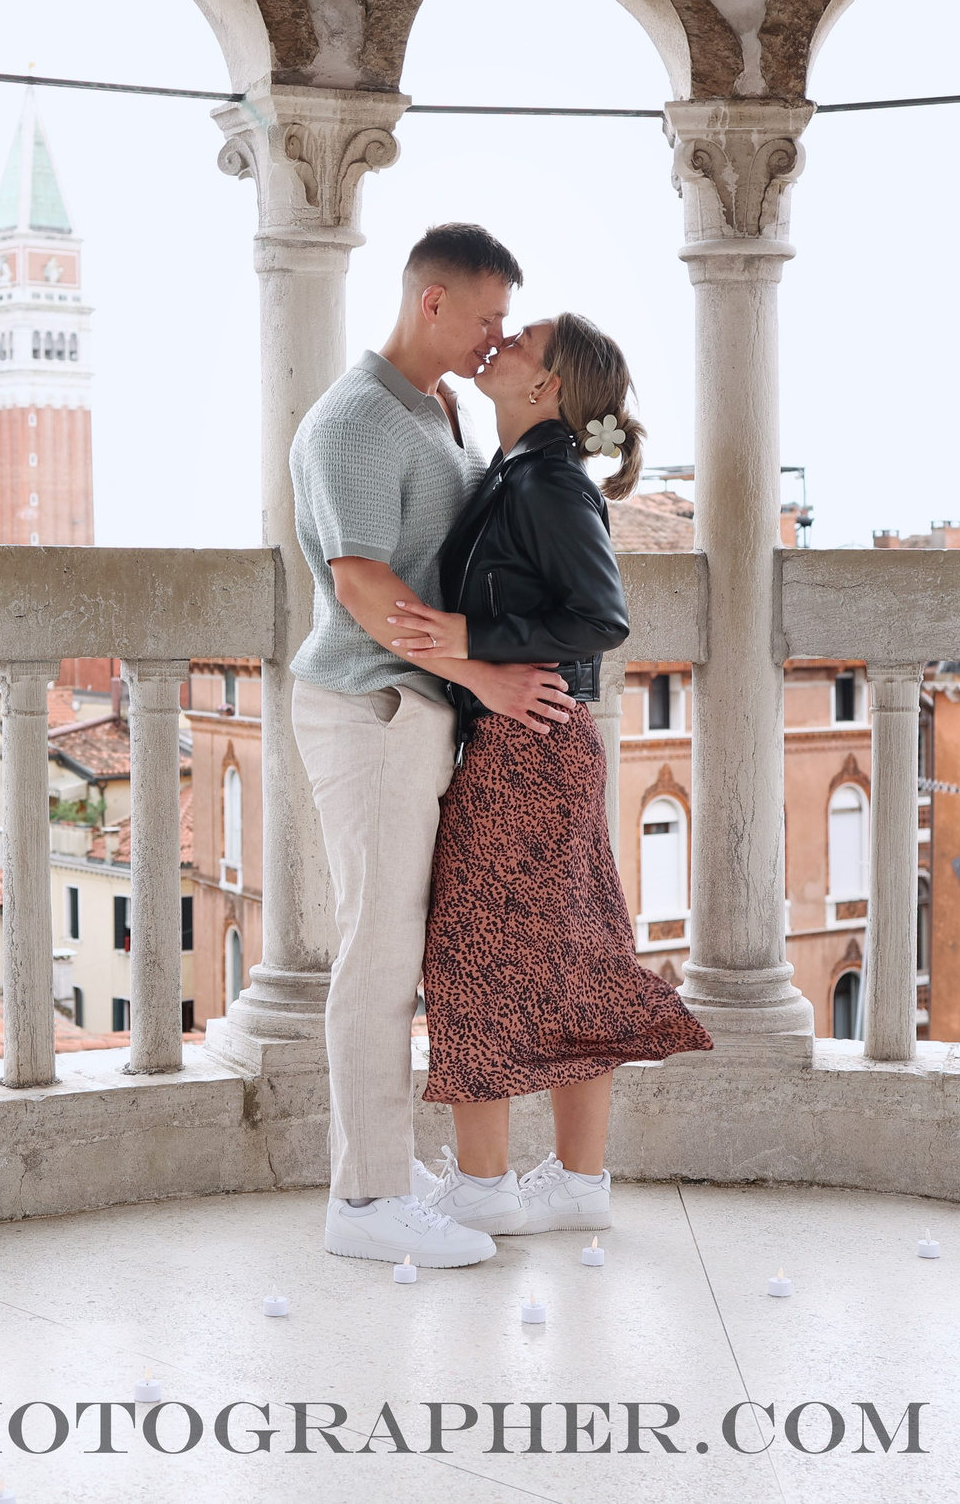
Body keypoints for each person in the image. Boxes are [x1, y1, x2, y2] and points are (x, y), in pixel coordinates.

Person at [289, 224, 583, 1268]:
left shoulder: (441, 410)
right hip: (369, 707)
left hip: (416, 709)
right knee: (378, 952)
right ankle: (364, 1204)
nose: (496, 335)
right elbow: (364, 584)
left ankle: (378, 1166)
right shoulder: (356, 421)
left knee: (399, 946)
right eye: (487, 316)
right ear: (430, 304)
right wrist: (482, 676)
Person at [388, 314, 714, 1236]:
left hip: (527, 745)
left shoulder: (549, 481)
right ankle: (578, 1183)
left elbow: (602, 619)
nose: (503, 338)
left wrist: (469, 639)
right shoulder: (519, 471)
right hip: (538, 744)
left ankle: (488, 1186)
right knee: (571, 954)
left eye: (523, 337)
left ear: (549, 388)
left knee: (471, 954)